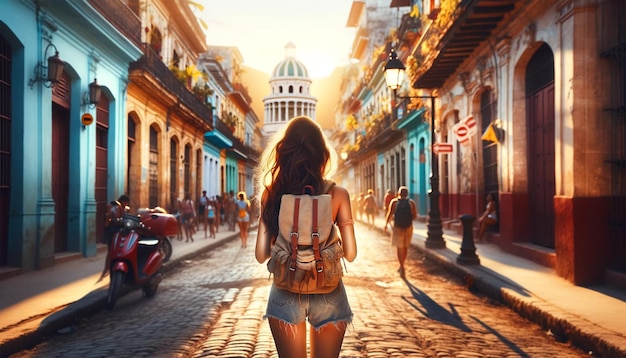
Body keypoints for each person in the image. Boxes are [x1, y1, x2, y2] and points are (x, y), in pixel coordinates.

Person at [255, 116, 357, 358]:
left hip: (285, 289)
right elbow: (351, 255)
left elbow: (261, 255)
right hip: (329, 291)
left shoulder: (271, 193)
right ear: (322, 155)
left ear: (284, 153)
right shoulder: (338, 194)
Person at [384, 186, 417, 279]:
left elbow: (389, 214)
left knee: (399, 248)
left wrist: (386, 224)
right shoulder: (411, 203)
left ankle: (401, 266)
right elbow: (415, 216)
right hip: (408, 227)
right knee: (405, 246)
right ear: (407, 194)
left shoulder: (394, 202)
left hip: (397, 228)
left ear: (398, 193)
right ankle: (403, 264)